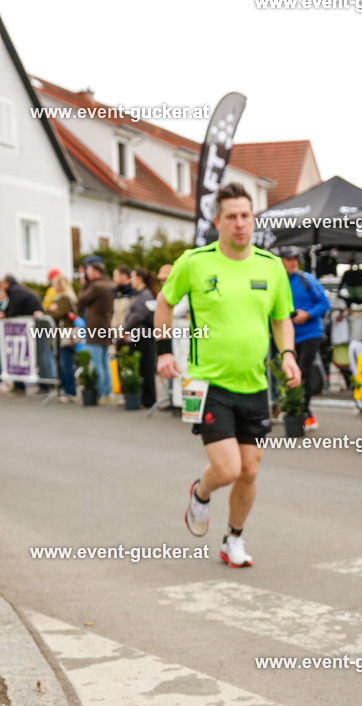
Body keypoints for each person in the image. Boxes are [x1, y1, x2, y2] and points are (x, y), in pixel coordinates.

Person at [155, 182, 301, 567]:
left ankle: (233, 539)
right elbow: (164, 303)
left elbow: (281, 318)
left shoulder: (270, 267)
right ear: (217, 221)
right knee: (228, 468)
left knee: (249, 471)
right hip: (207, 383)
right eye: (232, 217)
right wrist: (164, 351)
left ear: (253, 220)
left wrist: (288, 354)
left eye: (246, 216)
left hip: (254, 384)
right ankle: (201, 493)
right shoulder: (195, 262)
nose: (240, 224)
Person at [280, 247, 330, 432]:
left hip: (310, 333)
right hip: (288, 335)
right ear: (282, 261)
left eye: (295, 259)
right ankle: (296, 410)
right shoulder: (279, 281)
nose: (293, 262)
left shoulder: (307, 279)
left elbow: (324, 304)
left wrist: (307, 314)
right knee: (290, 373)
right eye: (289, 259)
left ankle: (305, 412)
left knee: (304, 371)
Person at [78, 257, 114, 401]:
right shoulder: (108, 284)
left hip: (95, 327)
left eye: (89, 271)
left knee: (97, 361)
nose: (87, 274)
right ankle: (107, 392)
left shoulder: (96, 286)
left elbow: (81, 298)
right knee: (104, 361)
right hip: (104, 325)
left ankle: (100, 393)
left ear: (96, 272)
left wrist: (83, 284)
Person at [122, 268, 157, 408]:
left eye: (132, 276)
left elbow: (138, 315)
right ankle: (144, 397)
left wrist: (125, 329)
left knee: (146, 368)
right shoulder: (140, 294)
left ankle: (149, 399)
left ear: (140, 278)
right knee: (141, 367)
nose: (131, 280)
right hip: (138, 335)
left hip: (143, 336)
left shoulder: (145, 295)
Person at [46, 274, 78, 400]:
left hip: (65, 335)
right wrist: (51, 309)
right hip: (59, 335)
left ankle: (69, 391)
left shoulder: (65, 298)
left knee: (66, 363)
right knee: (62, 362)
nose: (53, 285)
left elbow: (57, 314)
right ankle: (65, 389)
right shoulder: (58, 298)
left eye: (55, 283)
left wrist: (52, 310)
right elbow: (50, 312)